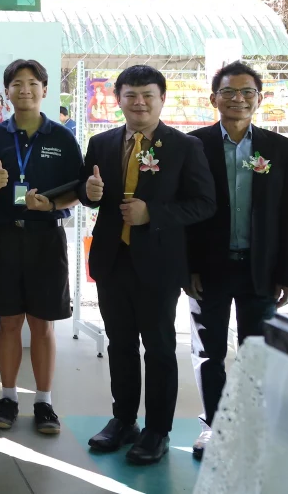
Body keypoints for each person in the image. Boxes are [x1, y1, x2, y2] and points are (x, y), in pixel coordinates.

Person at [79, 64, 215, 465]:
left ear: (161, 99)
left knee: (158, 349)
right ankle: (123, 420)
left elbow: (204, 203)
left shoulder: (185, 146)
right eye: (130, 96)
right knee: (119, 344)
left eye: (147, 96)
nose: (139, 103)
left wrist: (152, 213)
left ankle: (157, 430)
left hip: (158, 264)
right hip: (112, 260)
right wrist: (89, 193)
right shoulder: (101, 142)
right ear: (118, 99)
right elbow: (88, 193)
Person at [186, 61, 288, 460]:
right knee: (209, 353)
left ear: (259, 98)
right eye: (229, 92)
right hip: (208, 269)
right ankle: (214, 428)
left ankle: (249, 428)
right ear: (213, 98)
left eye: (247, 91)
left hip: (260, 269)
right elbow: (186, 212)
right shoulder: (193, 144)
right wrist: (188, 268)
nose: (238, 99)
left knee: (256, 353)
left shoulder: (280, 148)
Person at [0, 59, 84, 435]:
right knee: (9, 322)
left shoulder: (62, 138)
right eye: (17, 84)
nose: (25, 90)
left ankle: (44, 402)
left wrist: (52, 205)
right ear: (7, 91)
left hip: (46, 238)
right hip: (5, 236)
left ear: (45, 89)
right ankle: (8, 397)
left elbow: (78, 190)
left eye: (33, 83)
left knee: (42, 324)